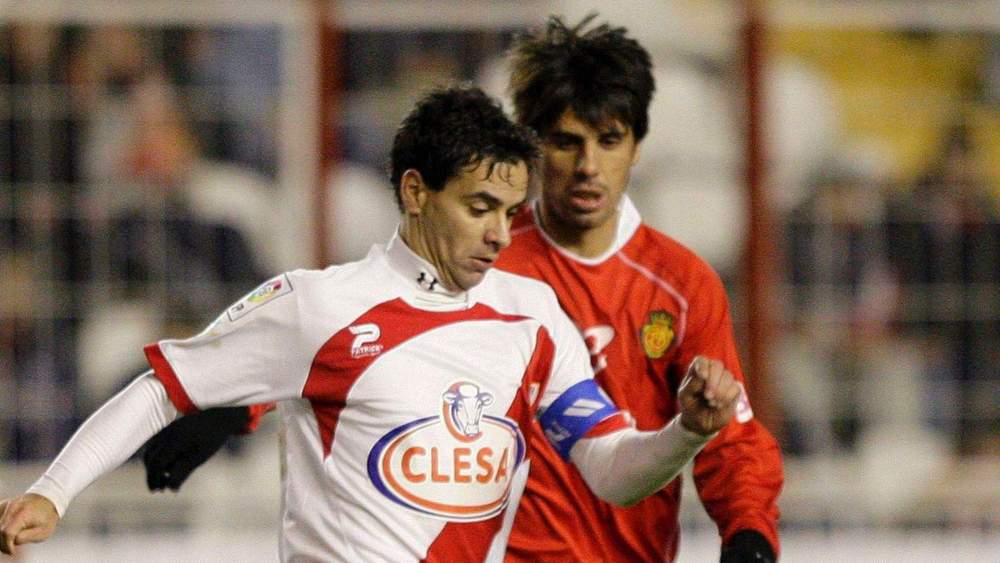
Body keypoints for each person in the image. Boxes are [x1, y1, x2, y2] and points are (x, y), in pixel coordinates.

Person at [0, 86, 743, 562]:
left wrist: (685, 430)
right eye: (479, 207)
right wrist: (52, 492)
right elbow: (164, 389)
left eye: (510, 214)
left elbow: (612, 471)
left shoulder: (534, 314)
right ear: (416, 192)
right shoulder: (318, 305)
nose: (498, 233)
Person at [141, 15, 784, 562]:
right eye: (565, 142)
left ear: (637, 146)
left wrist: (749, 532)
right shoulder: (483, 262)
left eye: (609, 141)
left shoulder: (679, 283)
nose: (588, 165)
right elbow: (357, 334)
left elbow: (729, 432)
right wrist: (236, 406)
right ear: (530, 148)